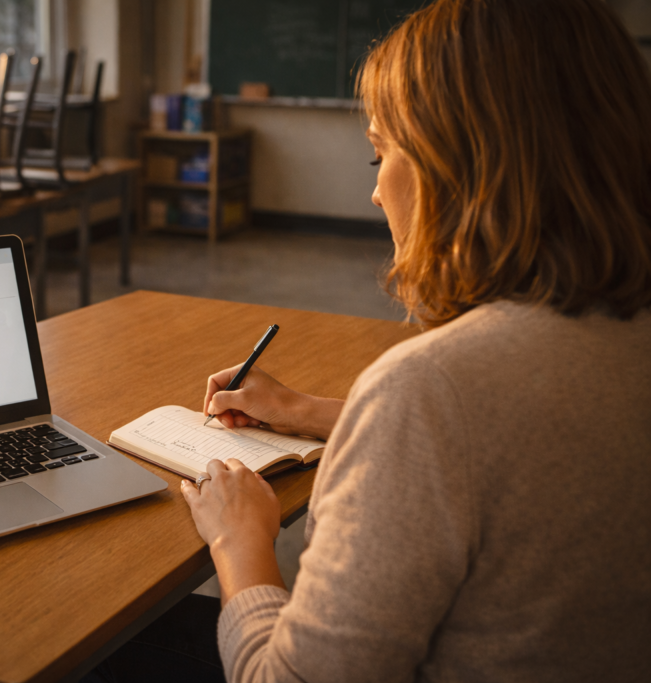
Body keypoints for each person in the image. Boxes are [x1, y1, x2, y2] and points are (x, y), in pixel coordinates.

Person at [87, 0, 651, 681]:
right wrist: (307, 411)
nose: (377, 192)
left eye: (381, 152)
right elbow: (517, 427)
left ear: (459, 167)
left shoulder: (430, 389)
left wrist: (241, 539)